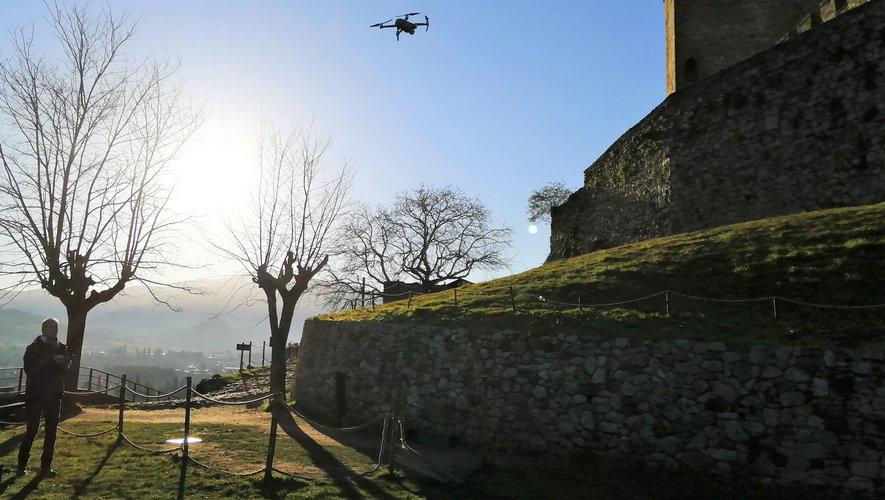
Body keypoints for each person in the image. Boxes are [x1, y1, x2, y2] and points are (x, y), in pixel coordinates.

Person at [17, 317, 70, 477]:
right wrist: (52, 362)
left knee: (51, 432)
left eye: (57, 327)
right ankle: (21, 465)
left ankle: (45, 467)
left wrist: (65, 364)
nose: (55, 329)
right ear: (44, 328)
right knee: (31, 430)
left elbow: (66, 372)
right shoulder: (33, 348)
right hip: (36, 396)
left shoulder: (62, 347)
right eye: (52, 326)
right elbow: (30, 370)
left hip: (54, 395)